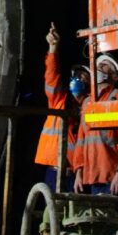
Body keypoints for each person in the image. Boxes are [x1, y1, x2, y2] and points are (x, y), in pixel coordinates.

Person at [34, 23, 88, 192]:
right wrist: (53, 48)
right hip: (53, 169)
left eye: (83, 76)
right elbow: (52, 77)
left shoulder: (88, 108)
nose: (78, 79)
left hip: (75, 173)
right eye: (76, 75)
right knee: (50, 212)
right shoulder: (59, 100)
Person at [72, 54, 118, 195]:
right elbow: (81, 141)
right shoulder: (88, 102)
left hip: (112, 177)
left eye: (104, 65)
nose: (99, 67)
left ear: (115, 77)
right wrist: (79, 173)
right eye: (99, 65)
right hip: (92, 176)